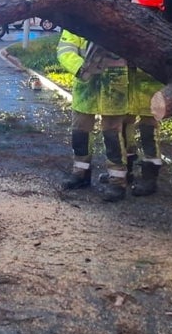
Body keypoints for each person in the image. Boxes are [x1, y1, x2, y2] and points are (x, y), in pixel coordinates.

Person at [56, 19, 132, 202]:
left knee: (112, 133)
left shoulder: (121, 24)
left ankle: (117, 182)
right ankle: (80, 173)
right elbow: (65, 50)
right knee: (80, 131)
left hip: (113, 85)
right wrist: (80, 68)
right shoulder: (77, 23)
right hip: (86, 84)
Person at [124, 0, 167, 196]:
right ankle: (126, 171)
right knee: (126, 133)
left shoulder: (163, 35)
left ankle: (150, 179)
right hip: (131, 93)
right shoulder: (131, 31)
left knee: (149, 135)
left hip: (150, 96)